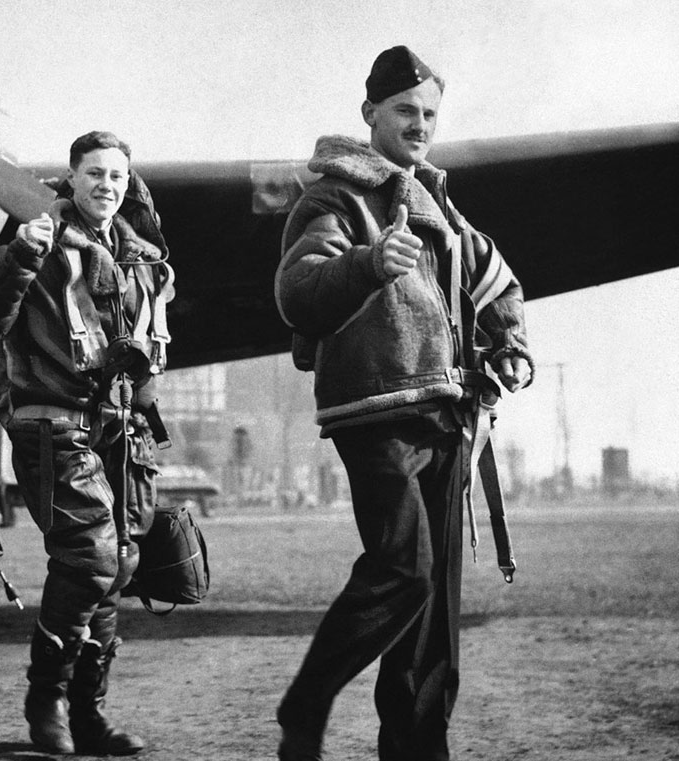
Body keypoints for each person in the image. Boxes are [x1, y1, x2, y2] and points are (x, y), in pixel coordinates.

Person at [273, 46, 534, 761]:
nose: (419, 125)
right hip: (376, 408)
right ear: (370, 117)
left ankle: (419, 751)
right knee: (403, 569)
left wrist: (509, 344)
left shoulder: (437, 205)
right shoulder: (333, 197)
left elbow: (497, 280)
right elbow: (297, 291)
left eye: (429, 115)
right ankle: (306, 701)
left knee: (434, 616)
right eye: (405, 112)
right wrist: (367, 263)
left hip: (448, 415)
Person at [0, 130, 174, 756]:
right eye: (95, 173)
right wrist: (19, 254)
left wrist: (148, 416)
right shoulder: (38, 239)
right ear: (70, 178)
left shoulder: (138, 256)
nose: (107, 185)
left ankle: (89, 715)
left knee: (119, 563)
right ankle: (44, 698)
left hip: (119, 428)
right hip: (54, 423)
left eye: (118, 177)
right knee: (91, 559)